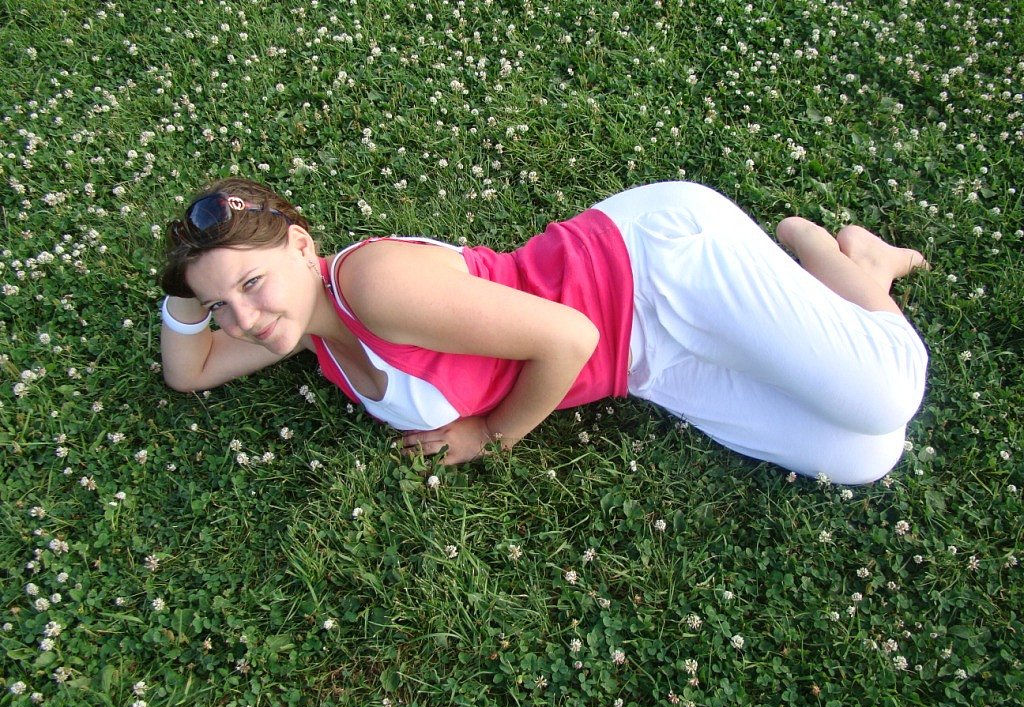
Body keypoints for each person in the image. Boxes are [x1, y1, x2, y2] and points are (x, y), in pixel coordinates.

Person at [160, 178, 928, 484]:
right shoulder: (304, 329)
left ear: (303, 247)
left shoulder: (371, 285)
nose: (244, 319)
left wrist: (488, 435)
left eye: (252, 285)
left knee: (890, 394)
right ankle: (853, 277)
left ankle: (840, 256)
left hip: (653, 267)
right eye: (221, 307)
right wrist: (187, 291)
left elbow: (568, 339)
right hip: (642, 363)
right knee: (864, 455)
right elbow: (187, 371)